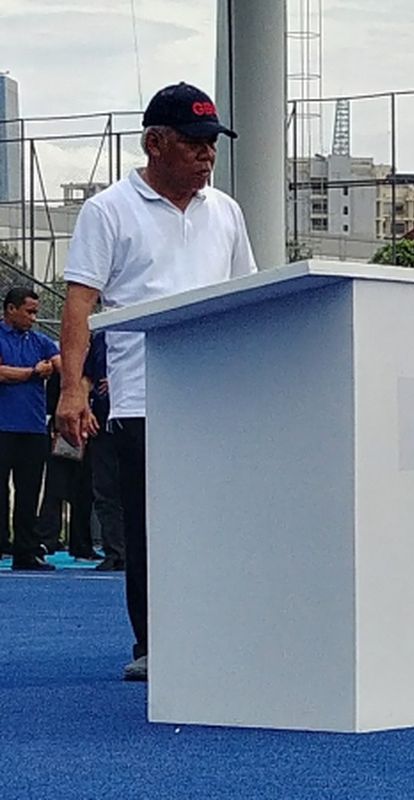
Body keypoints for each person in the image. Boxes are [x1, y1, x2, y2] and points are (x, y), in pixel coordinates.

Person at [56, 82, 256, 681]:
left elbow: (244, 294)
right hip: (144, 395)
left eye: (212, 144)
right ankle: (155, 644)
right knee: (151, 526)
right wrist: (72, 388)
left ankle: (219, 630)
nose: (207, 155)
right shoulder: (108, 210)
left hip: (215, 394)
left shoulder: (226, 211)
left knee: (219, 520)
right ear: (154, 143)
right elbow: (79, 303)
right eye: (194, 143)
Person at [0, 287, 60, 571]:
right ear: (11, 309)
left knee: (29, 492)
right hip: (3, 426)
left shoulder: (41, 341)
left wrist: (54, 366)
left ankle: (25, 551)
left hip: (33, 428)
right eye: (29, 312)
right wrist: (33, 373)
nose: (34, 318)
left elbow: (60, 363)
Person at [36, 369, 101, 560]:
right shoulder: (64, 368)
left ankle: (81, 545)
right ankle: (46, 539)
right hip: (63, 434)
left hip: (92, 434)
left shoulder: (97, 363)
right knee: (55, 488)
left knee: (84, 491)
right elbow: (52, 400)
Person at [85, 331, 124, 571]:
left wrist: (121, 380)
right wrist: (82, 404)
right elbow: (87, 376)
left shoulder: (148, 327)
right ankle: (115, 551)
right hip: (101, 423)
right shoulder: (100, 338)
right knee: (105, 490)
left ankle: (141, 550)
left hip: (137, 422)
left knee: (137, 490)